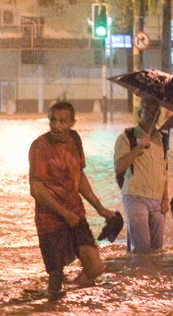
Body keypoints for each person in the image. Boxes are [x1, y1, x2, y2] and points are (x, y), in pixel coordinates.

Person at [29, 101, 117, 296]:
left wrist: (99, 208)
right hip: (50, 221)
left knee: (95, 267)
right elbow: (36, 189)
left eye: (63, 121)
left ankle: (73, 300)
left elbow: (80, 177)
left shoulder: (75, 140)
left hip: (76, 215)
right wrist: (63, 213)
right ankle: (53, 313)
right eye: (53, 120)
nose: (56, 126)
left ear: (72, 123)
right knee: (55, 278)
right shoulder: (39, 147)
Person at [113, 96, 169, 253]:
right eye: (148, 110)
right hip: (135, 197)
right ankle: (137, 275)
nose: (152, 115)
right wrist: (138, 148)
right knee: (141, 249)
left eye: (156, 112)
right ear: (139, 112)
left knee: (157, 250)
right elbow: (118, 167)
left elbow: (164, 170)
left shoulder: (162, 139)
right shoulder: (126, 138)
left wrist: (166, 197)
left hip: (158, 201)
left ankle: (153, 277)